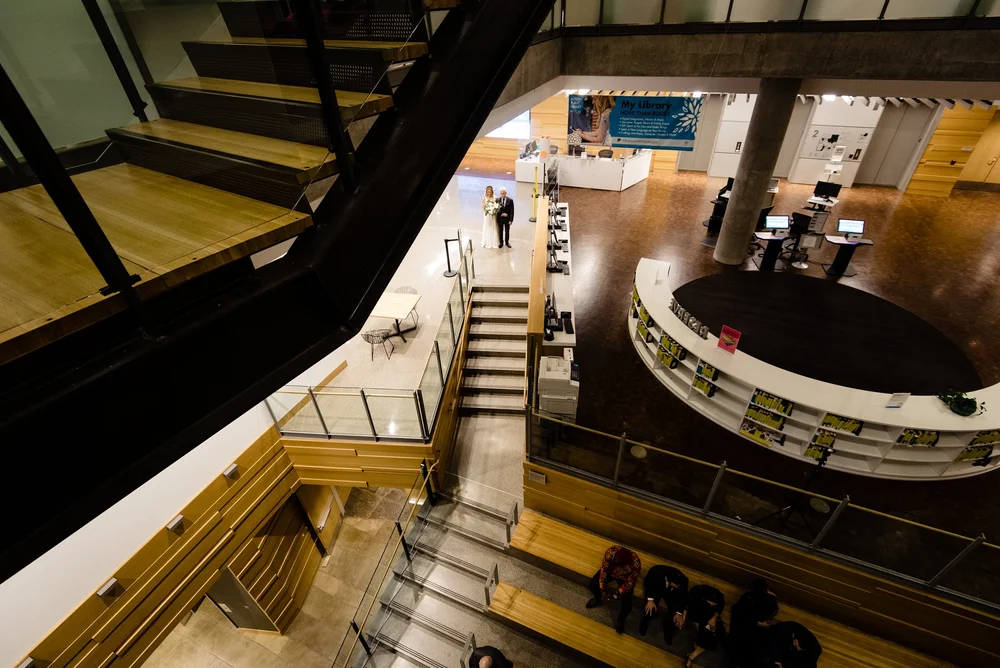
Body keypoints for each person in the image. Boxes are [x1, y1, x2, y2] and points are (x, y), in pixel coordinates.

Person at [586, 544, 641, 633]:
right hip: (610, 572)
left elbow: (630, 582)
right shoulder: (611, 552)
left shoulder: (636, 563)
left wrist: (617, 593)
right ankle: (598, 599)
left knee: (627, 605)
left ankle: (621, 620)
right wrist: (602, 585)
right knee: (592, 584)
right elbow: (604, 569)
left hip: (624, 578)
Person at [727, 579, 779, 667]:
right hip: (751, 630)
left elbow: (737, 614)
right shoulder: (769, 599)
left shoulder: (748, 597)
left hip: (749, 630)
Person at [639, 564, 688, 645]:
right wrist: (650, 600)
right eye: (677, 586)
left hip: (670, 593)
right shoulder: (655, 572)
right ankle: (646, 620)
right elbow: (648, 584)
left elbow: (683, 596)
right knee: (650, 607)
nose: (678, 587)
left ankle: (667, 627)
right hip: (656, 588)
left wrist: (679, 613)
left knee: (674, 610)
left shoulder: (683, 581)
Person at [684, 584, 726, 667]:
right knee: (705, 634)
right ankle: (691, 657)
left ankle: (691, 655)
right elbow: (689, 607)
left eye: (713, 604)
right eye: (709, 603)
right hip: (697, 613)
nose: (711, 605)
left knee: (717, 633)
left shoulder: (719, 598)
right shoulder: (697, 595)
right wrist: (684, 617)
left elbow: (718, 609)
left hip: (710, 615)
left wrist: (714, 617)